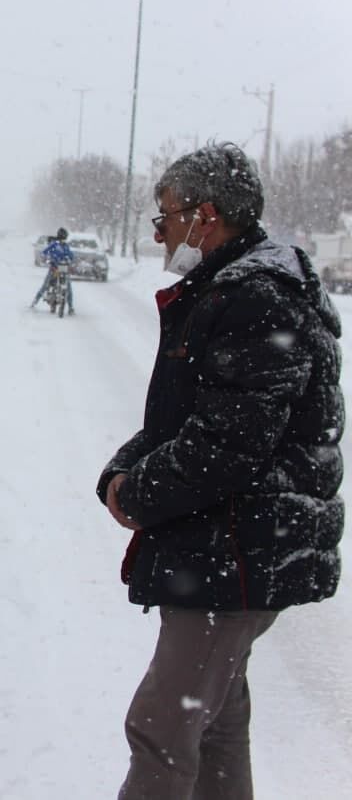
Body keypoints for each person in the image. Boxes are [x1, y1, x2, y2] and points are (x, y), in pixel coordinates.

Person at [97, 142, 343, 799]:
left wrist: (138, 492)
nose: (159, 233)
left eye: (165, 217)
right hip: (234, 550)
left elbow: (228, 444)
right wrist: (122, 470)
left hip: (235, 553)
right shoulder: (233, 287)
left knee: (162, 727)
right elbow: (186, 420)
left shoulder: (256, 296)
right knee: (216, 722)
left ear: (205, 216)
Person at [30, 227, 75, 313]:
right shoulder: (54, 244)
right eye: (63, 237)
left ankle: (70, 307)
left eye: (64, 237)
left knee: (69, 288)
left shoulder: (66, 246)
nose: (63, 239)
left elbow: (71, 255)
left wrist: (70, 260)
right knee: (45, 285)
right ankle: (35, 301)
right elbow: (44, 252)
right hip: (54, 268)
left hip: (64, 269)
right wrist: (48, 260)